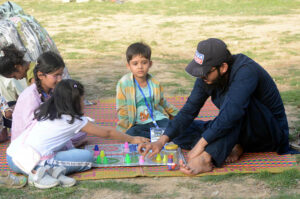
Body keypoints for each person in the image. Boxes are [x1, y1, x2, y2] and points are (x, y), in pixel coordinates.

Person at [138, 38, 290, 175]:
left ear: (223, 68)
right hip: (238, 128)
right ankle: (235, 144)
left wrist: (201, 147)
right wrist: (162, 141)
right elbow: (189, 110)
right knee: (181, 132)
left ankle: (207, 158)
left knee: (232, 112)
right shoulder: (207, 77)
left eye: (205, 73)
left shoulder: (246, 71)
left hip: (268, 132)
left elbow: (232, 113)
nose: (201, 77)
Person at [6, 79, 149, 189]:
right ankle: (41, 173)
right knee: (87, 157)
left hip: (12, 155)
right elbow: (107, 133)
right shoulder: (72, 120)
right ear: (74, 103)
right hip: (30, 162)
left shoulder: (48, 110)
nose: (83, 103)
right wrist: (132, 139)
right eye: (82, 99)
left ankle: (50, 170)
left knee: (72, 151)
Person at [10, 51, 86, 148]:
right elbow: (29, 128)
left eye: (61, 74)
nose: (59, 79)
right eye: (56, 75)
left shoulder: (51, 90)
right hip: (29, 145)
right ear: (40, 75)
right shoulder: (30, 96)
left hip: (45, 136)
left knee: (79, 130)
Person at [116, 42, 178, 139]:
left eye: (144, 62)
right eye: (135, 63)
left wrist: (178, 115)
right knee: (130, 133)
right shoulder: (123, 84)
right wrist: (124, 130)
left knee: (174, 127)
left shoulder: (155, 83)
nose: (140, 67)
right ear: (128, 66)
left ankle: (155, 138)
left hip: (157, 119)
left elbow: (163, 103)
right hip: (138, 123)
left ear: (150, 64)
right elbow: (122, 109)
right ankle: (161, 137)